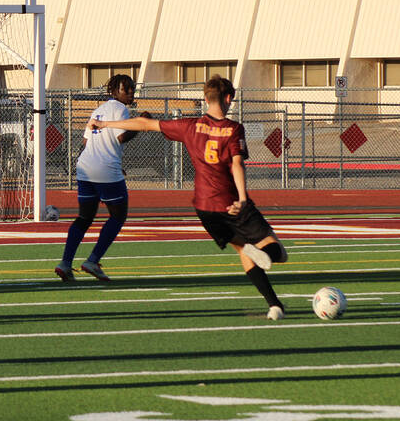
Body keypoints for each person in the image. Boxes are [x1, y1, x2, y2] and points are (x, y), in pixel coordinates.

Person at [88, 74, 289, 319]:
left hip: (204, 208)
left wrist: (105, 125)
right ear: (228, 99)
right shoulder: (233, 129)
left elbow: (144, 124)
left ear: (205, 99)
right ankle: (266, 258)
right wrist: (243, 198)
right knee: (278, 252)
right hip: (231, 202)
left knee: (244, 251)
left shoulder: (190, 126)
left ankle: (274, 305)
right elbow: (237, 164)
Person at [54, 74, 143, 282]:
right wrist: (140, 124)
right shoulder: (120, 109)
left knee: (84, 218)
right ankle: (92, 261)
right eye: (126, 88)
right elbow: (121, 137)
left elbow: (86, 143)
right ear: (114, 91)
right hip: (104, 169)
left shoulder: (98, 110)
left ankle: (65, 263)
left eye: (132, 88)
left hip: (85, 168)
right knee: (118, 216)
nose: (131, 92)